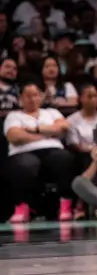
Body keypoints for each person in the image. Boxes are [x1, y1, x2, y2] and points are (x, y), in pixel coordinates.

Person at [3, 81, 75, 222]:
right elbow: (15, 136)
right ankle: (22, 206)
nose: (32, 99)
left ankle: (65, 204)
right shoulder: (14, 116)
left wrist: (33, 129)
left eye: (36, 95)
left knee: (64, 159)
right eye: (28, 96)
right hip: (22, 152)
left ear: (41, 96)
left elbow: (63, 127)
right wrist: (46, 133)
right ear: (21, 98)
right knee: (25, 165)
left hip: (53, 150)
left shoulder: (51, 112)